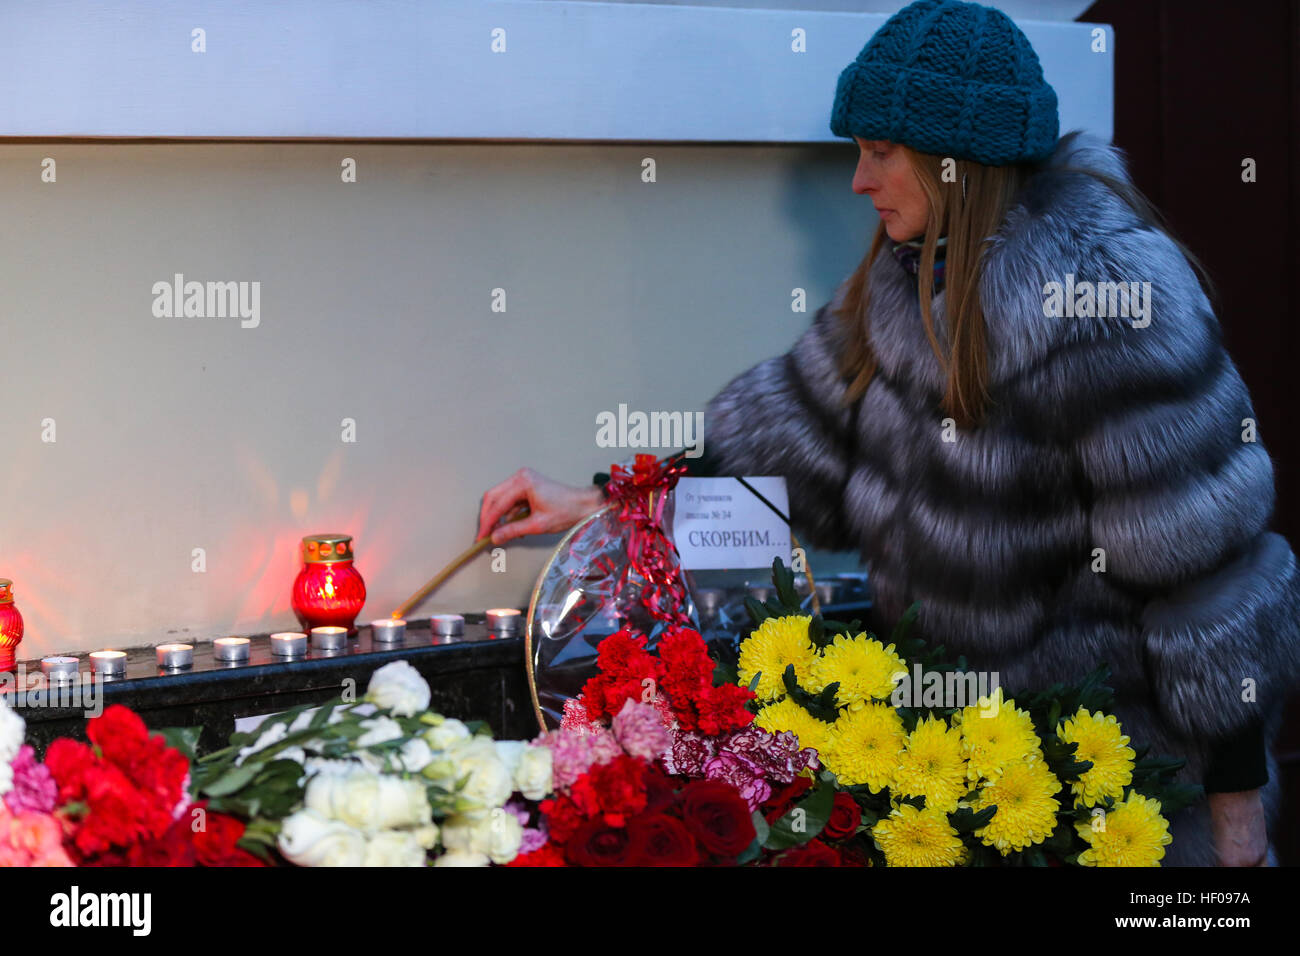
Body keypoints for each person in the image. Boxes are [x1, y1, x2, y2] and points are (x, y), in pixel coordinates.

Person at [477, 0, 1300, 866]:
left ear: (956, 159)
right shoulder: (902, 285)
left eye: (879, 153)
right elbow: (783, 439)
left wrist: (1237, 831)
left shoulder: (1110, 296)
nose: (859, 183)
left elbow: (1216, 586)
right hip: (958, 782)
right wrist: (605, 499)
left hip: (1116, 798)